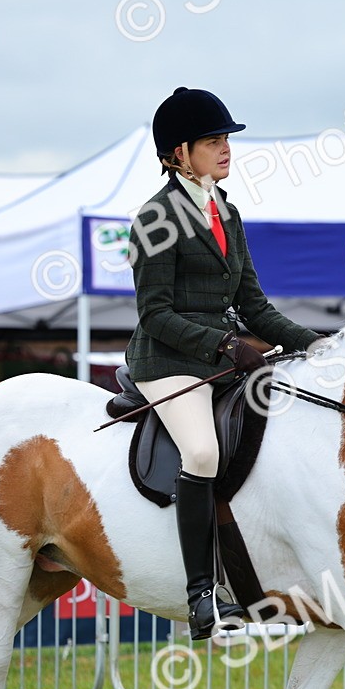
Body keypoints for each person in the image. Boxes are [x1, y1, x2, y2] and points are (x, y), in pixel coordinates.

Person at [126, 87, 322, 639]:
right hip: (167, 360)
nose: (225, 149)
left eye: (226, 139)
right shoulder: (154, 219)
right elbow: (156, 313)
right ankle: (202, 597)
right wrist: (226, 346)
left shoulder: (227, 212)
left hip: (219, 359)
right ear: (178, 153)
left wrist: (318, 343)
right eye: (213, 140)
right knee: (203, 449)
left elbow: (254, 305)